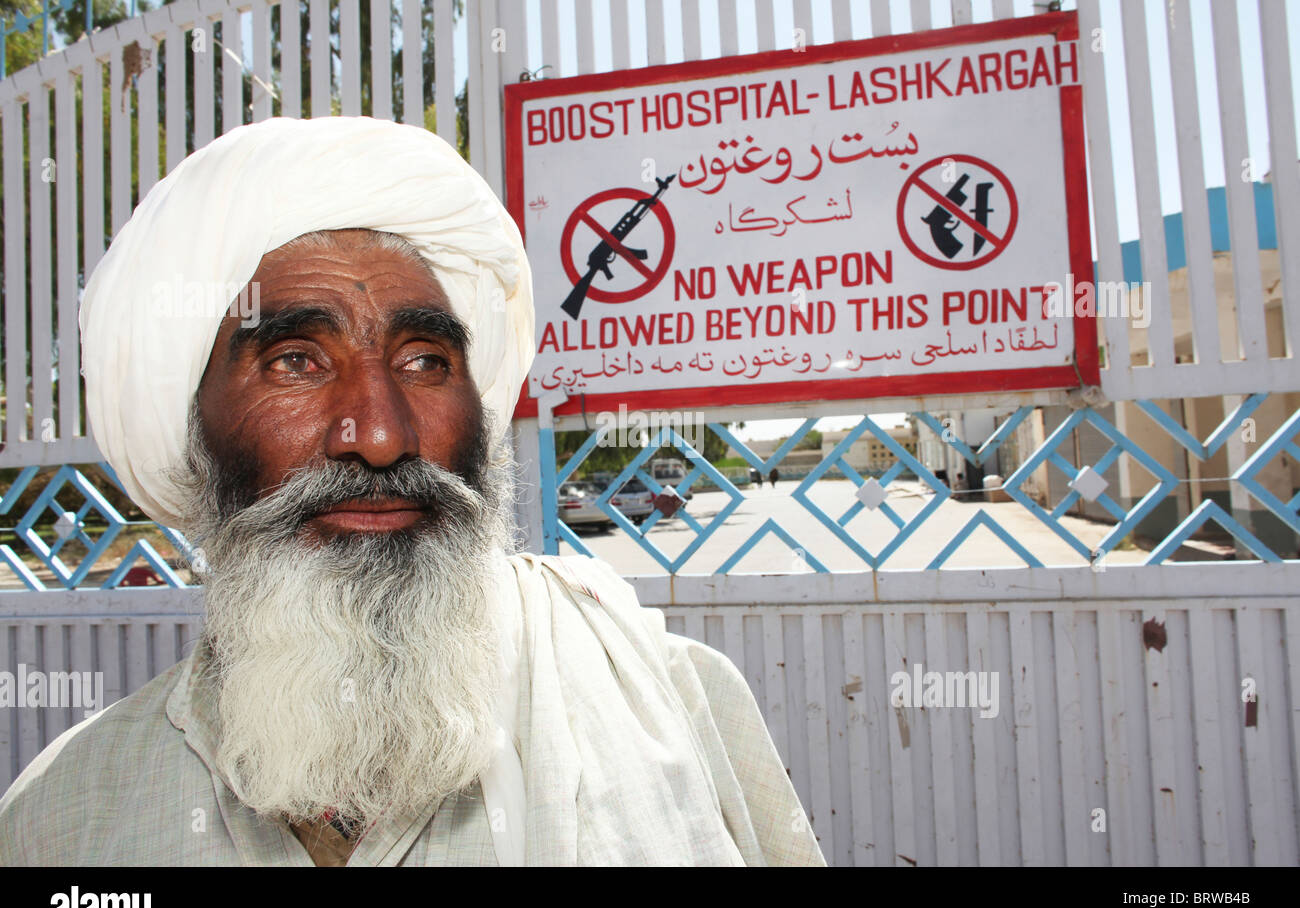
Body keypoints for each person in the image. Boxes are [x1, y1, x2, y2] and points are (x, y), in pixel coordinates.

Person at [0, 117, 824, 867]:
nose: (383, 433)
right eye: (296, 361)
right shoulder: (69, 816)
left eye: (426, 361)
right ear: (194, 431)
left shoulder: (672, 697)